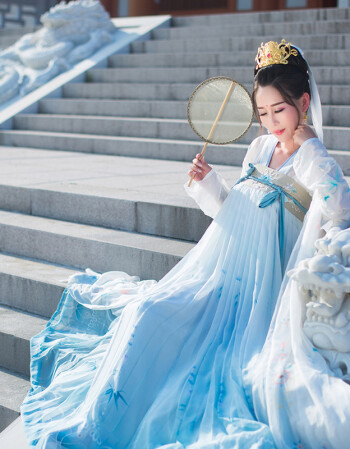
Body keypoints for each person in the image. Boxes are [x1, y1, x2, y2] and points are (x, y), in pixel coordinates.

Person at [21, 40, 350, 448]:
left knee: (211, 360)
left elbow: (339, 206)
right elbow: (235, 213)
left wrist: (312, 146)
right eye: (262, 113)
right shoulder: (260, 146)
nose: (271, 123)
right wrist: (208, 182)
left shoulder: (312, 158)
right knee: (147, 310)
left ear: (303, 102)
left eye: (279, 110)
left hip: (255, 291)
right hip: (218, 266)